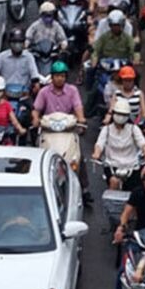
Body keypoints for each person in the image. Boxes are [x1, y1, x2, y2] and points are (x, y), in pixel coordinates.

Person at [31, 60, 89, 200]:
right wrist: (35, 119)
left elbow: (78, 107)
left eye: (62, 76)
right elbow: (36, 110)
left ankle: (85, 187)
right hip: (49, 130)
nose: (59, 78)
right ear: (52, 77)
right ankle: (36, 181)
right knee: (37, 152)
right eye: (57, 76)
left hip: (67, 130)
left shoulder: (72, 91)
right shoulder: (44, 92)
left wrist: (81, 119)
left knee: (78, 156)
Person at [92, 98, 145, 189]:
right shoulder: (107, 129)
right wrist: (97, 153)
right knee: (113, 182)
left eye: (123, 114)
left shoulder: (133, 129)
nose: (120, 116)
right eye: (118, 113)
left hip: (132, 166)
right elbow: (100, 143)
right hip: (112, 165)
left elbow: (143, 143)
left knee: (136, 190)